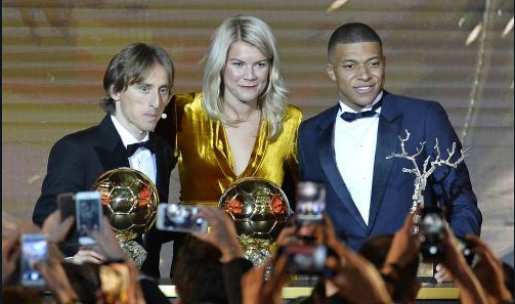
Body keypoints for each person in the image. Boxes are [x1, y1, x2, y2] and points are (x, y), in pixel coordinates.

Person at [297, 22, 482, 251]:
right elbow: (310, 216)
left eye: (373, 63)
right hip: (343, 279)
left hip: (413, 278)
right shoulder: (309, 134)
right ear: (331, 72)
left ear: (384, 63)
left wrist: (457, 253)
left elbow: (461, 202)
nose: (364, 75)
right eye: (349, 66)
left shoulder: (423, 117)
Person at [31, 42, 177, 277]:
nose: (156, 102)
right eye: (144, 89)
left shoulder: (162, 150)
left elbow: (153, 221)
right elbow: (45, 221)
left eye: (163, 90)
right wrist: (71, 260)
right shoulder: (76, 149)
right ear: (115, 90)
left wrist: (209, 222)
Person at [155, 15, 302, 207]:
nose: (250, 76)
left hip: (270, 238)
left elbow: (304, 209)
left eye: (260, 64)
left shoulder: (290, 120)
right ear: (220, 64)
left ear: (271, 68)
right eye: (238, 64)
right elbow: (151, 192)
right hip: (197, 237)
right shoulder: (185, 110)